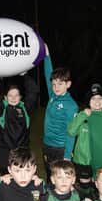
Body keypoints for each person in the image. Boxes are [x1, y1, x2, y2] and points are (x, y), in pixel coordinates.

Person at [0, 74, 40, 175]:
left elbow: (34, 91)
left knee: (22, 175)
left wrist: (26, 75)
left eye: (16, 95)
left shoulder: (25, 108)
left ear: (20, 97)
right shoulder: (2, 109)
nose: (13, 98)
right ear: (5, 98)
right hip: (5, 151)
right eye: (10, 95)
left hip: (22, 151)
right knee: (6, 176)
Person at [42, 45, 78, 178]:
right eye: (54, 84)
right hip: (47, 145)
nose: (56, 87)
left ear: (68, 84)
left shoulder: (71, 106)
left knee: (60, 179)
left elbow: (71, 131)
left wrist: (67, 156)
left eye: (60, 83)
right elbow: (48, 74)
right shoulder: (52, 95)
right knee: (49, 176)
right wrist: (46, 56)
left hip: (60, 149)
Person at [67, 83, 102, 198]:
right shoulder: (83, 116)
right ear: (88, 101)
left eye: (100, 98)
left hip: (100, 160)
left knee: (100, 185)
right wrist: (83, 114)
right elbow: (71, 131)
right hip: (82, 160)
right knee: (85, 187)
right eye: (93, 98)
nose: (97, 101)